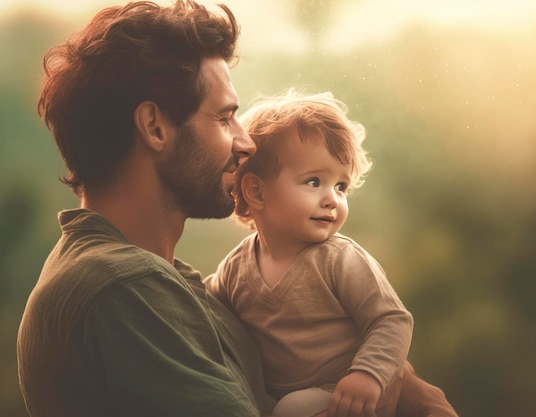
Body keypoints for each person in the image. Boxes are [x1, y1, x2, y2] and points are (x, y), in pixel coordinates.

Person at [16, 1, 459, 417]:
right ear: (154, 127)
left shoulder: (170, 282)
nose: (246, 142)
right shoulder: (124, 288)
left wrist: (393, 377)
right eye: (224, 118)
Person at [206, 91, 413, 417]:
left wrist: (368, 375)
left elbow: (391, 319)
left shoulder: (340, 259)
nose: (332, 199)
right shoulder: (236, 267)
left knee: (292, 408)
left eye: (341, 186)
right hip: (279, 397)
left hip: (346, 392)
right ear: (256, 191)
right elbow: (204, 303)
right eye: (314, 181)